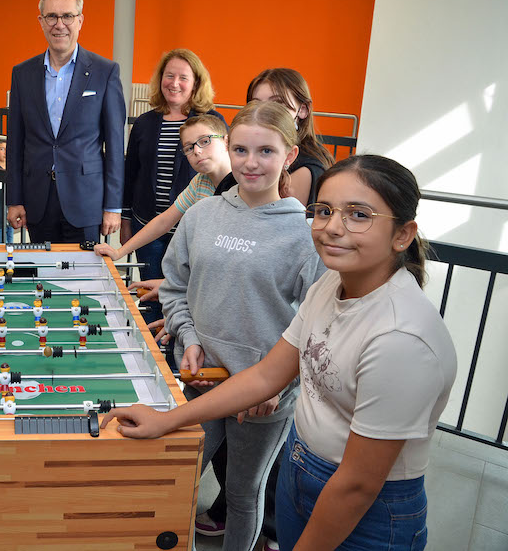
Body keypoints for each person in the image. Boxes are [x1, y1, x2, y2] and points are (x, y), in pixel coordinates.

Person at [103, 154, 455, 551]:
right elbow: (265, 376)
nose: (332, 227)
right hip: (300, 468)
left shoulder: (401, 338)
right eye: (325, 210)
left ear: (403, 234)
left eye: (359, 215)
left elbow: (357, 485)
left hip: (368, 511)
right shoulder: (331, 286)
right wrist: (166, 420)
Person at [157, 101, 325, 551]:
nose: (251, 163)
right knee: (178, 479)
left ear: (290, 155)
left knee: (242, 492)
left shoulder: (304, 235)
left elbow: (319, 326)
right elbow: (174, 287)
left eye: (266, 151)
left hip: (263, 402)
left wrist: (280, 384)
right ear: (228, 148)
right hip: (201, 383)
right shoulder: (201, 215)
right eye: (241, 150)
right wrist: (189, 337)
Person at [6, 0, 125, 243]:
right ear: (41, 21)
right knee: (41, 267)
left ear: (80, 20)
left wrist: (113, 206)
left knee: (85, 270)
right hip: (37, 201)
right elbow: (15, 142)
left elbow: (115, 144)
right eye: (52, 16)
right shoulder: (22, 74)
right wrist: (14, 199)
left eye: (67, 16)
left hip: (86, 201)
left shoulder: (105, 71)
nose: (59, 24)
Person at [121, 49, 223, 321]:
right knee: (151, 296)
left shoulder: (210, 122)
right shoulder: (144, 123)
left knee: (185, 297)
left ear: (196, 82)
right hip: (148, 225)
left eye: (183, 77)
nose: (174, 83)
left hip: (191, 232)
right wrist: (125, 220)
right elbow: (130, 174)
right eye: (169, 76)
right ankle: (155, 344)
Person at [96, 113, 230, 268]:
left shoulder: (243, 187)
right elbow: (164, 221)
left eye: (205, 141)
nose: (197, 151)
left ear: (226, 141)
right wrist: (119, 252)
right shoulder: (200, 182)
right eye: (189, 148)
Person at [247, 68, 334, 205]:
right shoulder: (247, 150)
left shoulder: (306, 169)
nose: (265, 111)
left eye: (277, 103)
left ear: (303, 110)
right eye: (256, 103)